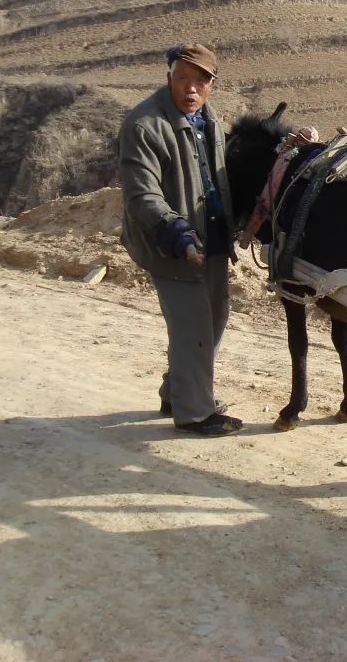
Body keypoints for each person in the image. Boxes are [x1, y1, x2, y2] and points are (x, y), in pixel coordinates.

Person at [118, 43, 243, 436]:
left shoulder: (209, 118)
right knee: (192, 324)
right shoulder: (144, 124)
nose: (191, 89)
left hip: (213, 237)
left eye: (200, 81)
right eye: (182, 79)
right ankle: (194, 413)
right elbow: (142, 194)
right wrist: (175, 230)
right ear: (168, 78)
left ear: (212, 86)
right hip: (169, 241)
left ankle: (177, 390)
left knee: (216, 316)